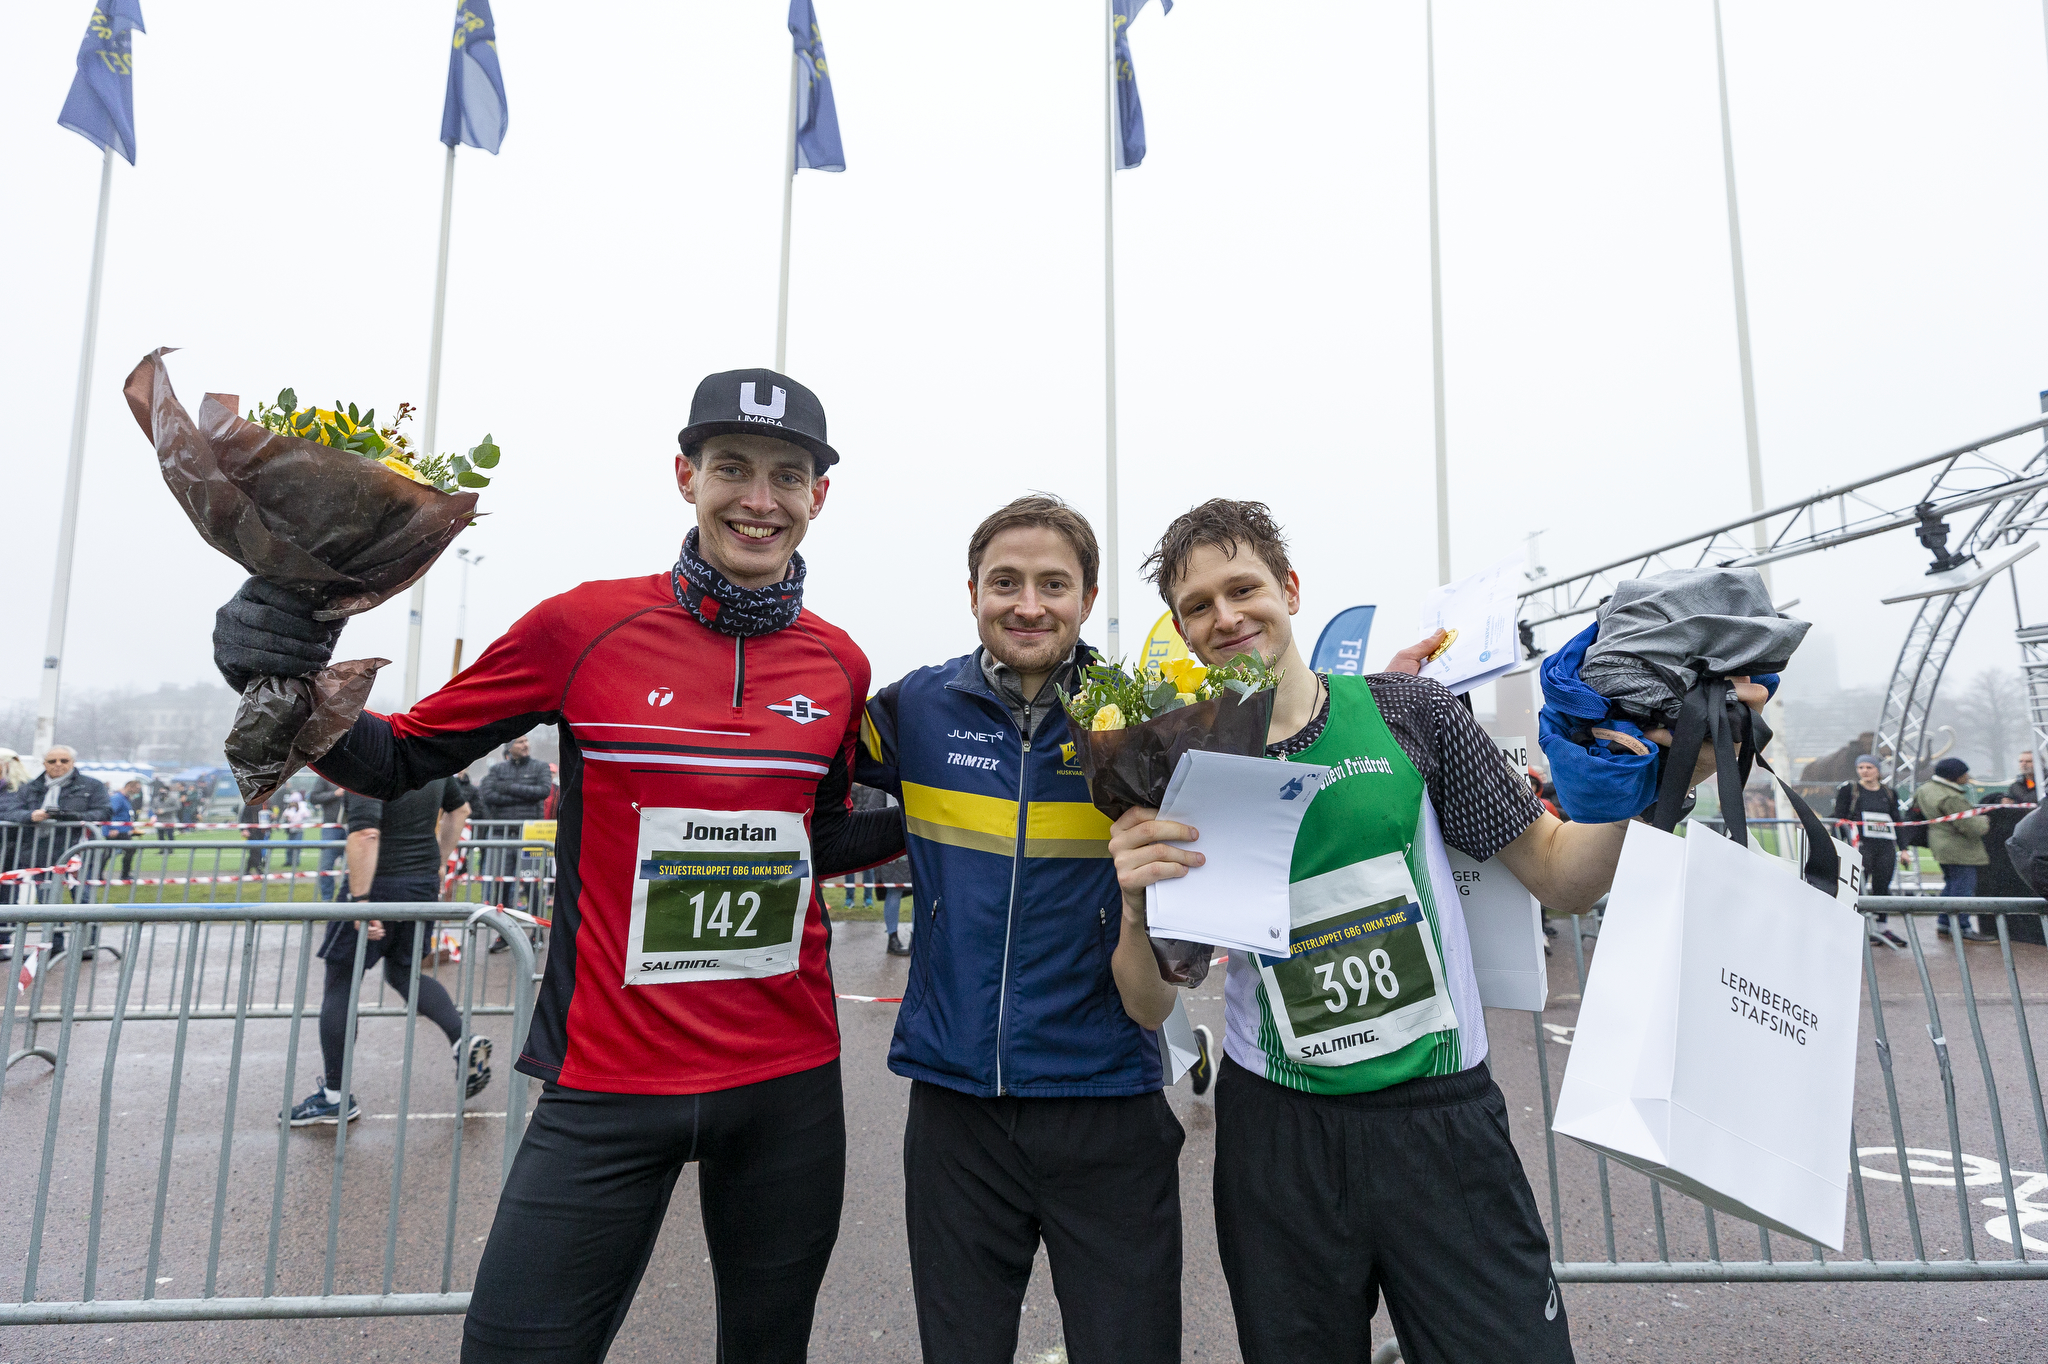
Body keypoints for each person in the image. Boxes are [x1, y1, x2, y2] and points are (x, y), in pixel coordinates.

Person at [211, 366, 900, 1363]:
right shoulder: (581, 626)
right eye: (732, 468)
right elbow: (399, 758)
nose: (759, 499)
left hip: (785, 1082)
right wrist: (279, 671)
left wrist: (944, 822)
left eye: (786, 476)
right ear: (685, 476)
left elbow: (820, 837)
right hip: (608, 1083)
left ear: (818, 496)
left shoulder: (839, 662)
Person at [1106, 500, 1771, 1364]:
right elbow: (1149, 1001)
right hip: (1279, 1133)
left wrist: (1669, 780)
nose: (1225, 616)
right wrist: (1135, 908)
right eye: (1198, 606)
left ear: (1290, 589)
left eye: (1243, 589)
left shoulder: (1410, 712)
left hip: (1439, 1119)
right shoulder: (1181, 767)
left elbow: (1559, 875)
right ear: (1185, 632)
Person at [857, 495, 1183, 1364]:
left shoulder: (1144, 717)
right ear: (972, 593)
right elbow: (798, 780)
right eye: (1005, 582)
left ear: (1088, 597)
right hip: (956, 1109)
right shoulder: (915, 707)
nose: (1028, 605)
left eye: (1053, 584)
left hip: (1107, 1099)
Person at [287, 774, 491, 1125]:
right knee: (403, 972)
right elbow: (460, 811)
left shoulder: (367, 764)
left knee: (341, 981)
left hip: (378, 885)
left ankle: (335, 1097)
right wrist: (439, 863)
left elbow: (366, 833)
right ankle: (462, 1039)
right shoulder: (430, 761)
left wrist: (361, 902)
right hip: (420, 884)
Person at [1916, 756, 1995, 942]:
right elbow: (1971, 826)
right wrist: (1985, 820)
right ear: (1954, 776)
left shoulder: (1926, 789)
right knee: (1963, 888)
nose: (1967, 777)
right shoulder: (1951, 797)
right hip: (1959, 848)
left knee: (1951, 885)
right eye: (1964, 773)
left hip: (1940, 844)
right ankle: (1962, 927)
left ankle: (1944, 923)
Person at [1834, 755, 1907, 949]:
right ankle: (1851, 927)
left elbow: (1897, 820)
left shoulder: (1889, 792)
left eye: (1869, 767)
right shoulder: (1849, 790)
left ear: (1878, 770)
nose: (1864, 771)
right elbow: (1839, 817)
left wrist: (1904, 849)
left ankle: (1881, 928)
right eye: (1860, 767)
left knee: (1882, 885)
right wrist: (1839, 842)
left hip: (1885, 845)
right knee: (1857, 886)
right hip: (1860, 846)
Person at [479, 737, 552, 822]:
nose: (525, 745)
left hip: (530, 825)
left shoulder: (541, 767)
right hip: (502, 825)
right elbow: (488, 795)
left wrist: (509, 787)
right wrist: (526, 799)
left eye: (526, 741)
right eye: (520, 742)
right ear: (509, 748)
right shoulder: (497, 769)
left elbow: (544, 791)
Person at [309, 775, 348, 901]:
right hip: (331, 827)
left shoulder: (356, 774)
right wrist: (335, 794)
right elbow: (313, 798)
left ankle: (347, 898)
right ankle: (327, 899)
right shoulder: (326, 776)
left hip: (352, 826)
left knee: (353, 866)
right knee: (326, 866)